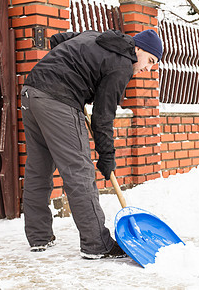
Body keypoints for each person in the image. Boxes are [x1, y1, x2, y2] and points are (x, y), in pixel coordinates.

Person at [21, 29, 163, 259]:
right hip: (58, 100)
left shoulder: (96, 37)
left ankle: (39, 237)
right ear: (137, 49)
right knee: (80, 171)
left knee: (38, 169)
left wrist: (71, 68)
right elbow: (103, 117)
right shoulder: (122, 64)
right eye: (150, 60)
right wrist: (106, 156)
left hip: (31, 92)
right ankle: (97, 244)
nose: (148, 68)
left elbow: (60, 39)